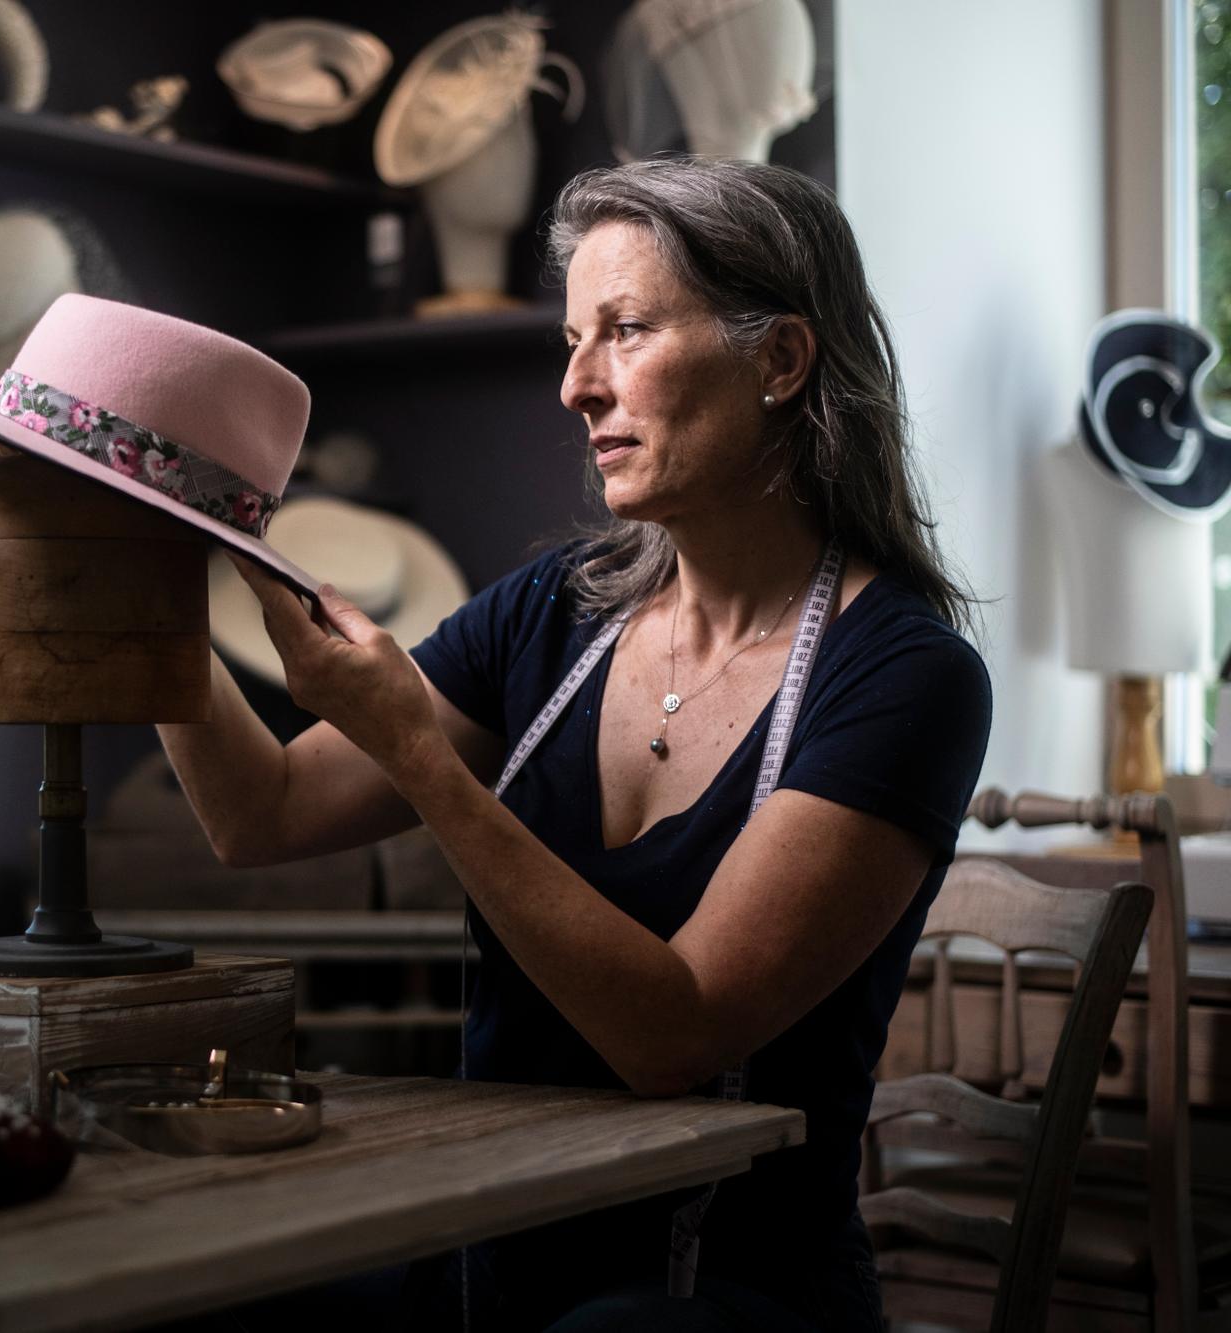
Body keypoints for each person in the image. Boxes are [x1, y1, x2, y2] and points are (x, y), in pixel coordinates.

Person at [171, 158, 989, 1332]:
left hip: (721, 1289)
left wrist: (419, 756)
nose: (573, 386)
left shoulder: (905, 676)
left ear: (778, 360)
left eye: (625, 330)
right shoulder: (551, 610)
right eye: (571, 339)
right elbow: (262, 816)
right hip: (487, 1256)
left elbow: (673, 1032)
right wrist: (136, 574)